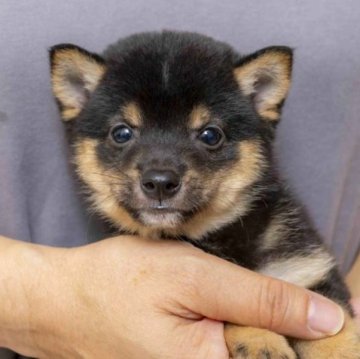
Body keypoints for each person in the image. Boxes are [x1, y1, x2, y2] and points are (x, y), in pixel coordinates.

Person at [0, 1, 359, 358]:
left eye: (209, 136)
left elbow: (334, 328)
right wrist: (35, 303)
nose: (160, 175)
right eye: (122, 134)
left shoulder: (288, 247)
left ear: (260, 94)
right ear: (79, 93)